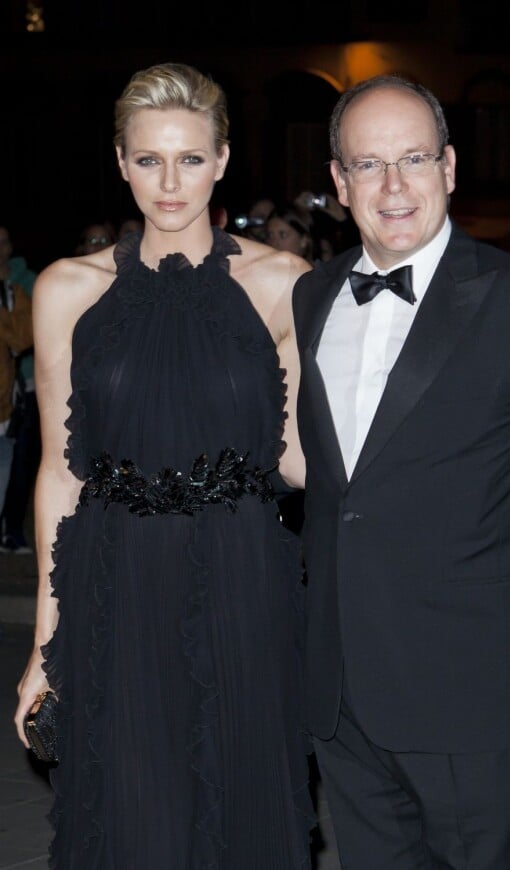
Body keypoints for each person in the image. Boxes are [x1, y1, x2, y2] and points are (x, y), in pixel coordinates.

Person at [14, 61, 314, 868]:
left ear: (222, 161)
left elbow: (297, 456)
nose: (169, 181)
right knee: (134, 817)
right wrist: (46, 641)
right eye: (149, 159)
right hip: (117, 581)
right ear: (121, 163)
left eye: (189, 158)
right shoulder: (66, 289)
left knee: (242, 805)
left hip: (243, 576)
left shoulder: (285, 284)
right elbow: (58, 472)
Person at [292, 73, 510, 869]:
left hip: (475, 702)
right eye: (369, 164)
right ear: (339, 183)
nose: (393, 186)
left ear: (450, 168)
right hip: (344, 698)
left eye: (413, 159)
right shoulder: (314, 296)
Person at [0, 224, 39, 554]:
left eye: (3, 241)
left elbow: (22, 338)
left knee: (14, 468)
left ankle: (11, 531)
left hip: (15, 393)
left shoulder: (21, 288)